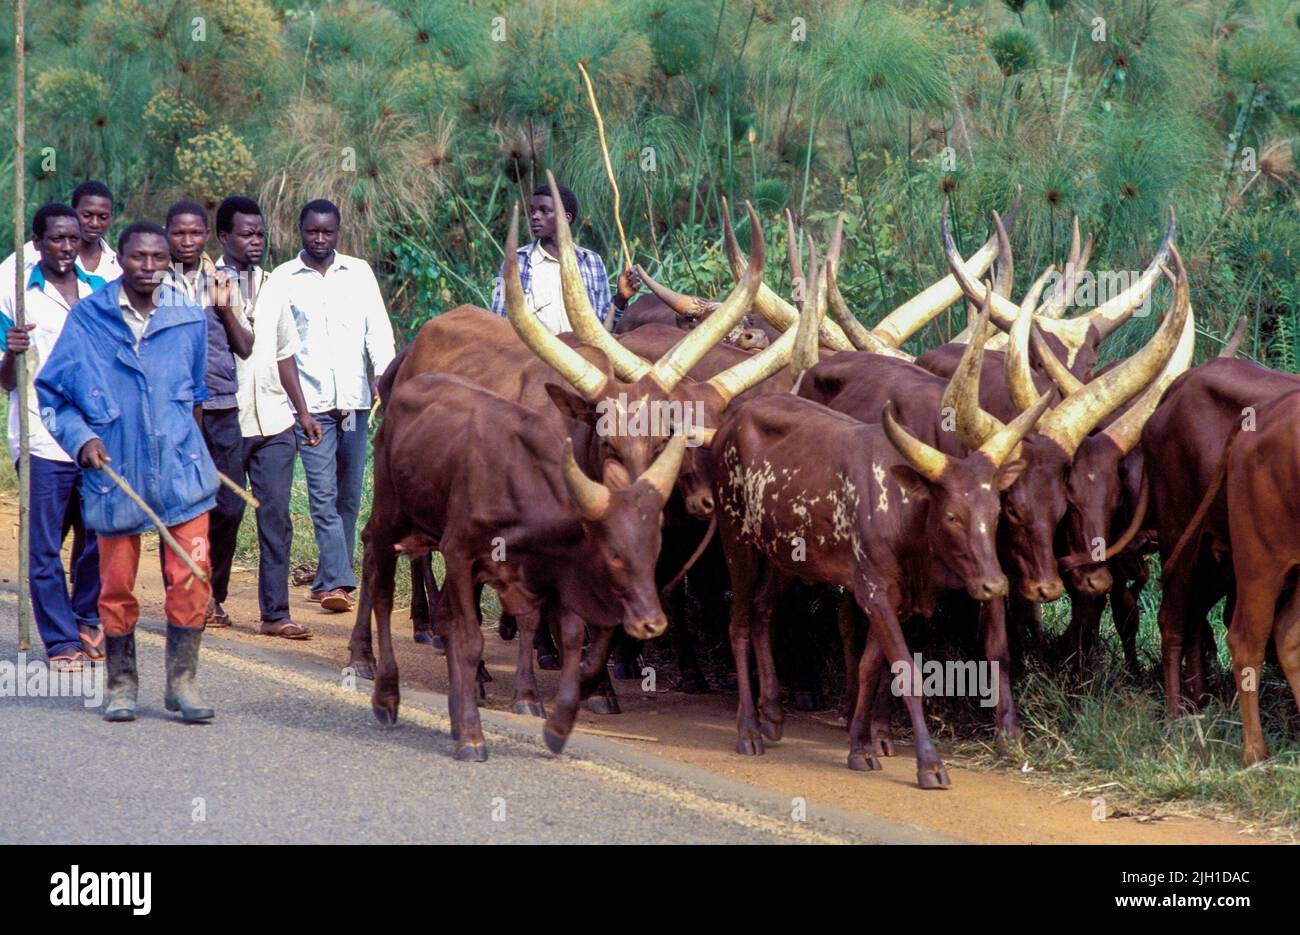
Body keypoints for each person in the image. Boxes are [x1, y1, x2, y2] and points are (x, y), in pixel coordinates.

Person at [36, 221, 218, 723]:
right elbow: (52, 393)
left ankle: (183, 684)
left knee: (192, 577)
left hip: (183, 474)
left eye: (158, 259)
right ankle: (121, 686)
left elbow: (195, 394)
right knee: (115, 586)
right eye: (139, 258)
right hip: (115, 473)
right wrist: (82, 440)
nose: (150, 268)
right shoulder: (90, 319)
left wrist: (195, 449)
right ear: (124, 259)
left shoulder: (187, 317)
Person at [259, 199, 394, 613]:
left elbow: (378, 330)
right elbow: (275, 345)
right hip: (310, 406)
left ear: (338, 232)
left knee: (349, 497)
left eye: (327, 232)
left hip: (353, 404)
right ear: (299, 231)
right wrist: (290, 404)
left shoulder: (359, 273)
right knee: (322, 494)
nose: (320, 239)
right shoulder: (283, 279)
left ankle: (325, 578)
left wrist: (383, 377)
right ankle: (338, 581)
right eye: (312, 231)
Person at [0, 203, 105, 671]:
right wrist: (11, 352)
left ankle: (85, 616)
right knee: (44, 546)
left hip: (92, 437)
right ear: (37, 244)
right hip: (41, 438)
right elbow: (5, 381)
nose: (66, 248)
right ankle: (61, 641)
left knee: (98, 535)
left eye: (73, 239)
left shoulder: (98, 292)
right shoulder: (18, 297)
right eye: (56, 240)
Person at [213, 195, 320, 639]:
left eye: (260, 233)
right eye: (246, 233)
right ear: (224, 236)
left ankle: (275, 613)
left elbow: (284, 353)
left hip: (275, 420)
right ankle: (211, 596)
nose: (255, 241)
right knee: (227, 511)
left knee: (276, 516)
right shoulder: (208, 283)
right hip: (226, 420)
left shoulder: (276, 283)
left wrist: (303, 410)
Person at [163, 199, 246, 630]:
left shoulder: (224, 280)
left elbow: (245, 347)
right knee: (182, 504)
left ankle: (214, 592)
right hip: (176, 411)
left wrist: (223, 303)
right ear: (167, 234)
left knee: (229, 506)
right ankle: (185, 593)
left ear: (208, 237)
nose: (188, 241)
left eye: (196, 233)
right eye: (180, 233)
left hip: (221, 406)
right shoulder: (155, 282)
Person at [488, 181, 641, 333]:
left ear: (566, 218)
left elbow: (606, 330)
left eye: (544, 211)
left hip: (583, 354)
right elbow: (500, 321)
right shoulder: (517, 262)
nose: (535, 216)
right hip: (533, 355)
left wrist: (621, 298)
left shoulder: (592, 261)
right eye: (532, 211)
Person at [0, 179, 121, 285]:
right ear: (73, 212)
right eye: (87, 215)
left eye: (103, 217)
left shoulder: (118, 265)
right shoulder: (32, 254)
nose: (95, 223)